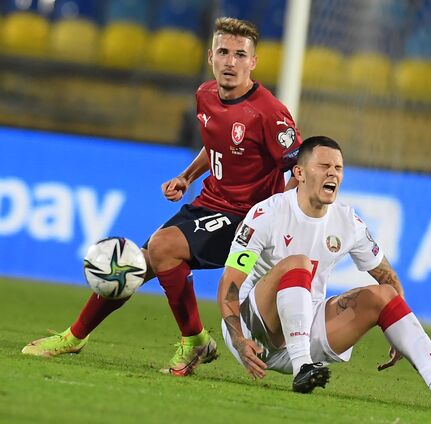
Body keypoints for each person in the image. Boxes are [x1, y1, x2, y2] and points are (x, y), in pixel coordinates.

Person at [22, 17, 302, 377]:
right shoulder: (205, 95)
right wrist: (186, 177)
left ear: (253, 62)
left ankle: (195, 341)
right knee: (134, 264)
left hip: (246, 219)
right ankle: (75, 336)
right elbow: (218, 144)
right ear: (210, 56)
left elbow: (298, 167)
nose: (230, 61)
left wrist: (278, 215)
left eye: (239, 54)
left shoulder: (269, 112)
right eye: (223, 52)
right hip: (209, 203)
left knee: (163, 247)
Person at [217, 136, 431, 408]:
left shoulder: (348, 221)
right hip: (253, 330)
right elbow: (230, 283)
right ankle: (303, 367)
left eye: (338, 168)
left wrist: (399, 333)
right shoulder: (267, 214)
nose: (332, 174)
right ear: (299, 173)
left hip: (304, 330)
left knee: (384, 294)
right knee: (298, 263)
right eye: (323, 166)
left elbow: (388, 278)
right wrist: (239, 341)